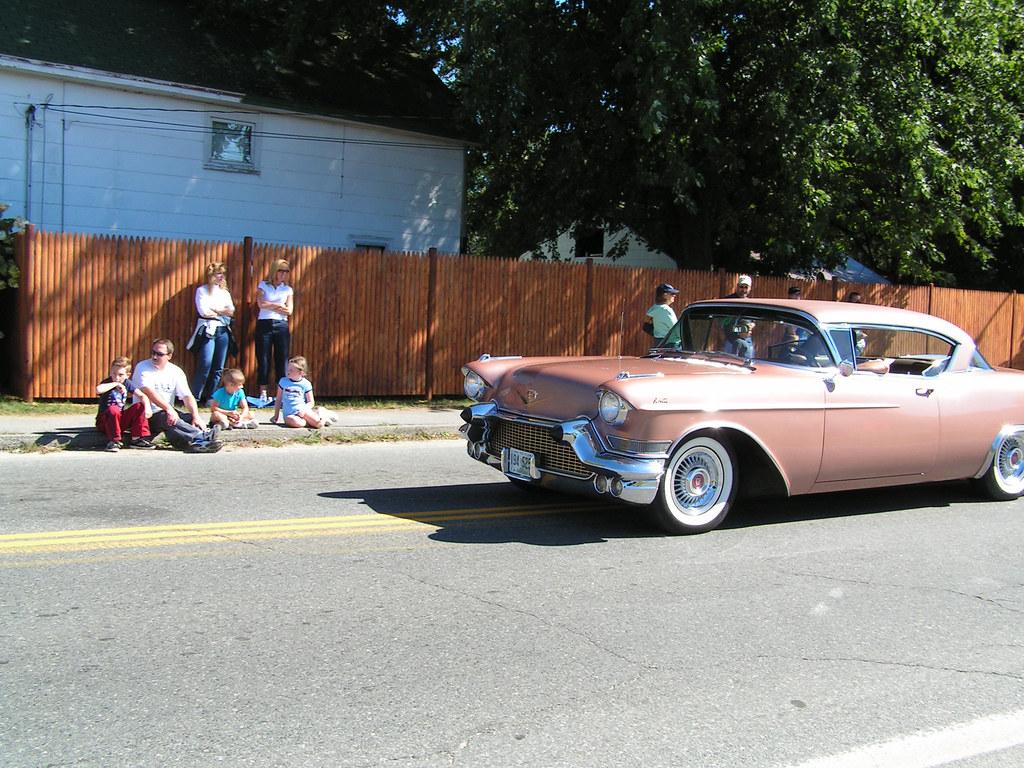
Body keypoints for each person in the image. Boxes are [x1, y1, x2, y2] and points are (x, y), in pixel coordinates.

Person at [132, 338, 222, 453]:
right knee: (167, 416)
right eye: (153, 352)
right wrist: (169, 409)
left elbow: (187, 396)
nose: (154, 357)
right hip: (147, 416)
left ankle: (199, 443)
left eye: (159, 354)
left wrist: (195, 416)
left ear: (169, 356)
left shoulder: (176, 371)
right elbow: (149, 392)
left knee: (189, 419)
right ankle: (201, 436)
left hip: (167, 414)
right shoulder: (142, 367)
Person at [187, 261, 236, 403]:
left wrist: (216, 310)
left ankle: (211, 397)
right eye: (218, 273)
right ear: (211, 275)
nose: (221, 276)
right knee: (205, 364)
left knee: (218, 367)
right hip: (207, 329)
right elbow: (204, 312)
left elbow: (231, 312)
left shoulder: (225, 293)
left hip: (223, 329)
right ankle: (195, 397)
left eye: (222, 274)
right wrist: (221, 312)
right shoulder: (201, 291)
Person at [95, 356, 155, 452]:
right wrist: (115, 384)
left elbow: (143, 396)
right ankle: (114, 441)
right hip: (105, 421)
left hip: (119, 420)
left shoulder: (127, 383)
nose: (116, 377)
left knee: (140, 406)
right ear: (110, 372)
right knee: (113, 409)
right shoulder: (108, 382)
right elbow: (98, 390)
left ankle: (136, 439)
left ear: (127, 375)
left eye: (120, 375)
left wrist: (148, 408)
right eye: (114, 373)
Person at [255, 259, 293, 403]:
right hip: (264, 324)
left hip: (281, 325)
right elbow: (261, 303)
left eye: (286, 271)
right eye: (280, 271)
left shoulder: (287, 289)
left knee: (281, 359)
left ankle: (280, 393)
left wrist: (270, 305)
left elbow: (288, 310)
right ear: (274, 271)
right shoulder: (263, 285)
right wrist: (278, 305)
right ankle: (263, 392)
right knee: (263, 359)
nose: (283, 274)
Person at [271, 356, 337, 428]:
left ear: (300, 372)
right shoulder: (283, 381)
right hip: (289, 414)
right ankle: (309, 421)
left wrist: (304, 410)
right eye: (288, 369)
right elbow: (278, 399)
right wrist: (276, 416)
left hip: (302, 411)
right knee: (297, 423)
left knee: (319, 425)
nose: (288, 372)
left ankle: (322, 415)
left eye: (291, 370)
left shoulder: (306, 384)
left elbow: (311, 402)